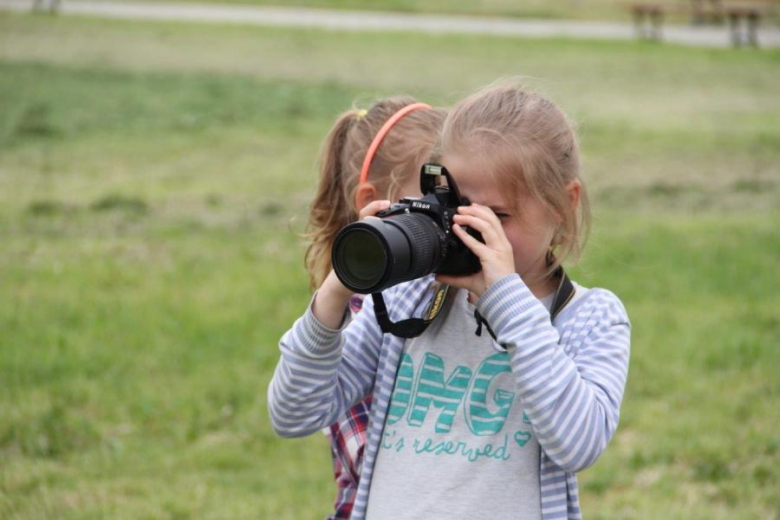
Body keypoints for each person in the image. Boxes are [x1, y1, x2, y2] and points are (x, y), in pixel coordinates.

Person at [269, 83, 631, 520]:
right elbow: (293, 412)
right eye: (456, 207)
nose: (469, 230)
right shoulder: (411, 298)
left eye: (497, 216)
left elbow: (578, 442)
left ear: (563, 205)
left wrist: (506, 300)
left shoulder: (591, 318)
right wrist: (337, 288)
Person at [303, 97, 446, 520]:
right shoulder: (351, 316)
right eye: (430, 195)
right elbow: (373, 460)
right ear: (374, 200)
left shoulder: (442, 293)